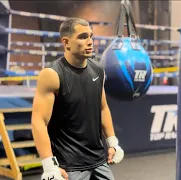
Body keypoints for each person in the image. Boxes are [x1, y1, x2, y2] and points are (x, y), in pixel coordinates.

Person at [31, 18, 124, 180]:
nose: (90, 42)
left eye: (91, 36)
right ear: (66, 43)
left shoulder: (98, 70)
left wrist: (113, 142)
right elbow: (38, 121)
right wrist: (49, 164)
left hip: (99, 160)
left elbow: (102, 108)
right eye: (82, 37)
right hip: (69, 165)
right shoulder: (52, 74)